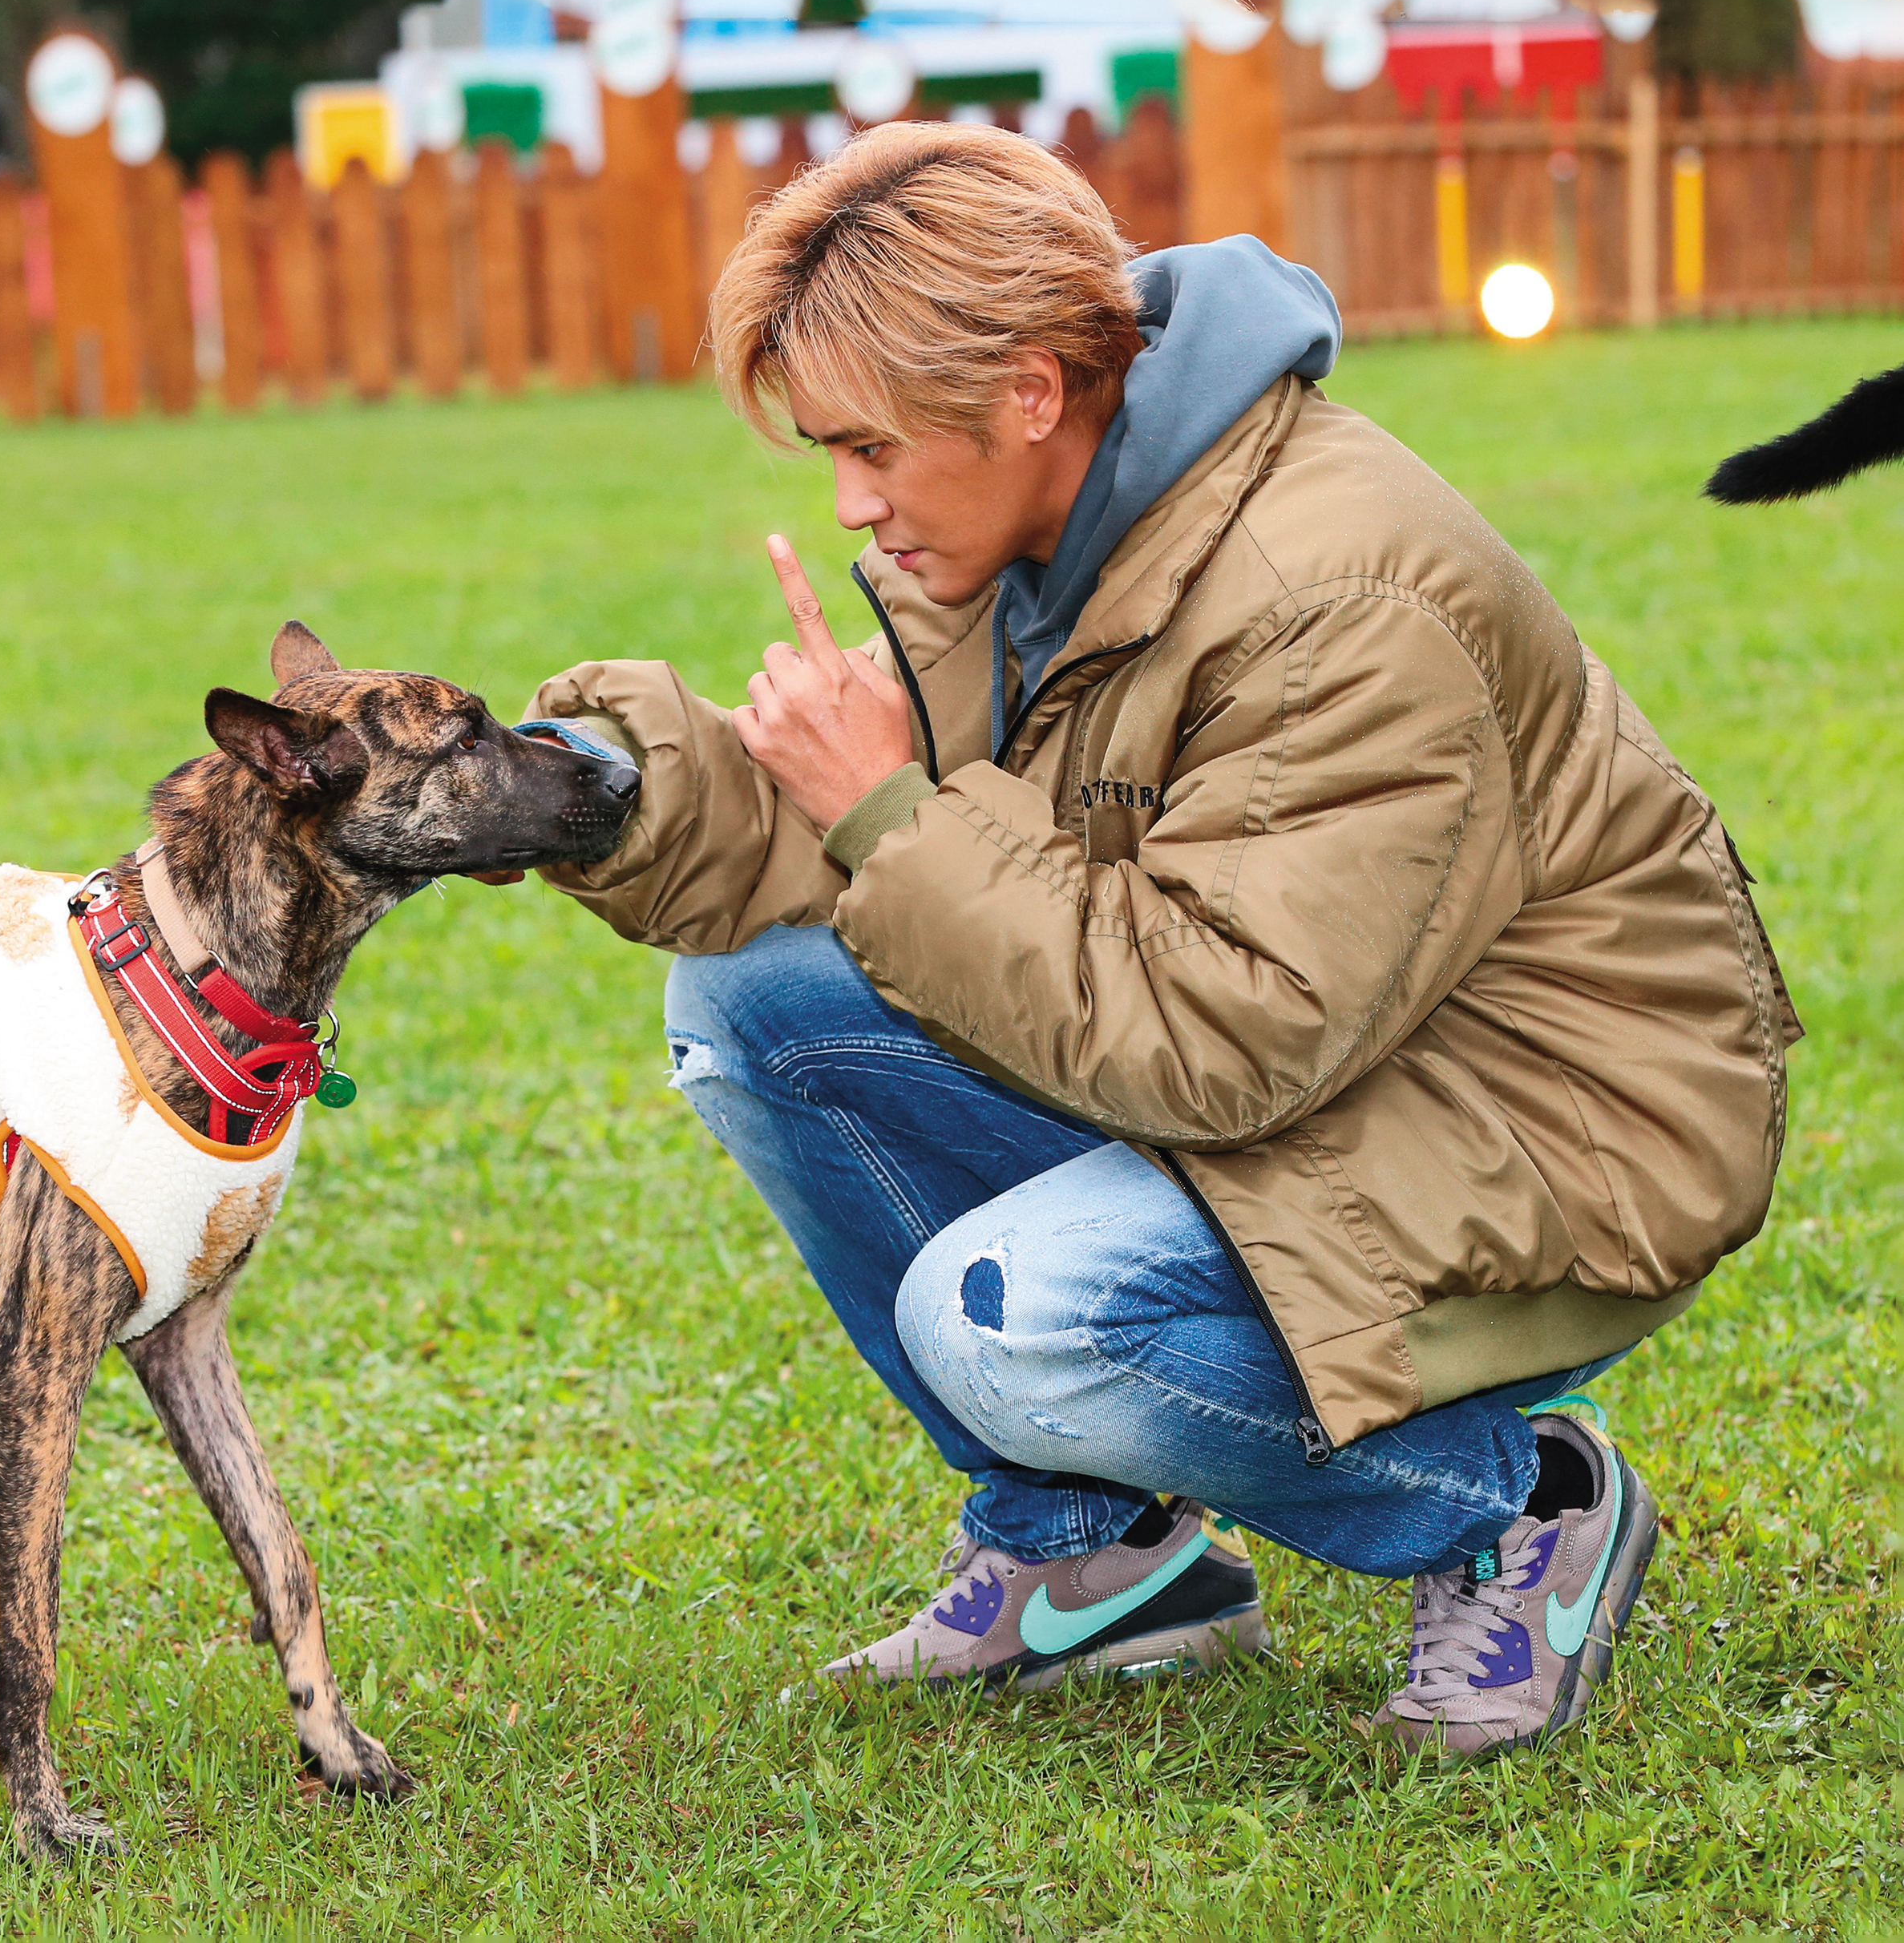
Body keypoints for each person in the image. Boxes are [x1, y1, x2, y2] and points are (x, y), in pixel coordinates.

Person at [516, 123, 1797, 1753]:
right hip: (1311, 1045)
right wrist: (572, 787)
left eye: (869, 449)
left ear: (1032, 393)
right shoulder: (1015, 530)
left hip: (1551, 1111)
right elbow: (857, 846)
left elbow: (1219, 1042)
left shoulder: (1329, 598)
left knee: (1013, 1315)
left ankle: (1512, 1507)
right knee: (757, 1002)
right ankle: (1099, 1558)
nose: (850, 504)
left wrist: (885, 815)